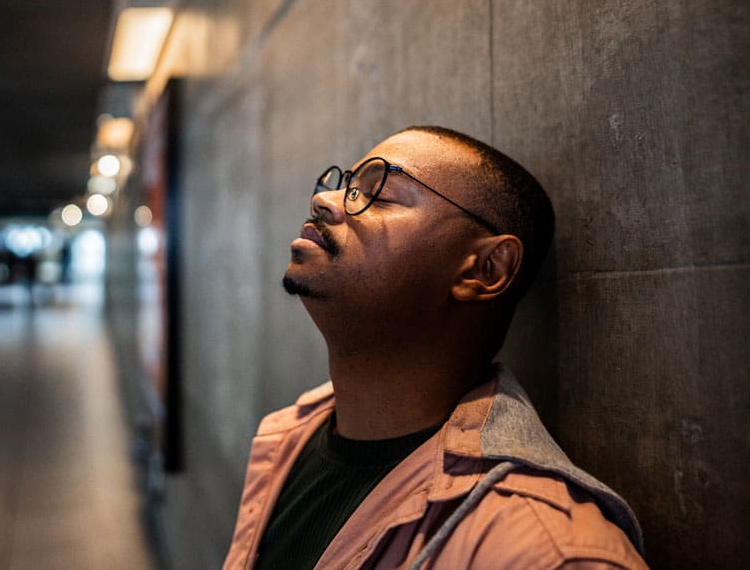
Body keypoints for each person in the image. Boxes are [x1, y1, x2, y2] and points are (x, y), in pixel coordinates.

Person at [224, 126, 647, 569]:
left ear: (484, 268)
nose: (325, 201)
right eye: (345, 185)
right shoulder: (290, 438)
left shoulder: (542, 550)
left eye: (379, 194)